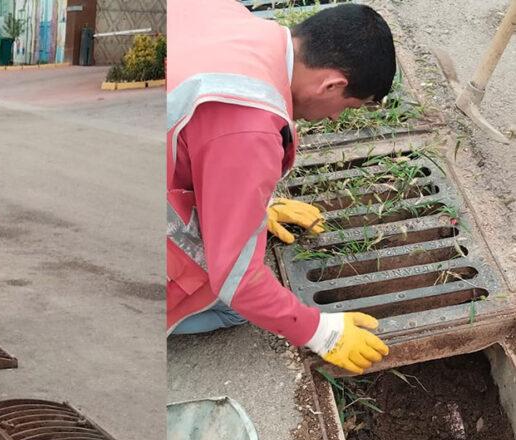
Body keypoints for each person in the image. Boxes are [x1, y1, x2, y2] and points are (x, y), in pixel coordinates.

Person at [167, 0, 393, 374]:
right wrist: (321, 333)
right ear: (333, 84)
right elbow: (237, 283)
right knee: (233, 309)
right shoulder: (248, 129)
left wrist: (255, 203)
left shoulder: (227, 14)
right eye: (348, 107)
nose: (337, 116)